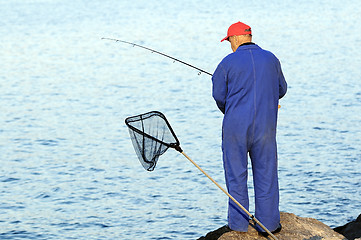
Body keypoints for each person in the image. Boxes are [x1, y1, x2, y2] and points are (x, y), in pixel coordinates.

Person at [212, 21, 287, 235]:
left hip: (235, 126)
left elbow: (219, 96)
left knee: (236, 175)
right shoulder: (271, 59)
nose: (230, 45)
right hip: (265, 125)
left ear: (235, 39)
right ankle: (269, 224)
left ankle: (238, 225)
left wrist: (233, 107)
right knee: (266, 173)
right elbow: (282, 89)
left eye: (229, 41)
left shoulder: (227, 63)